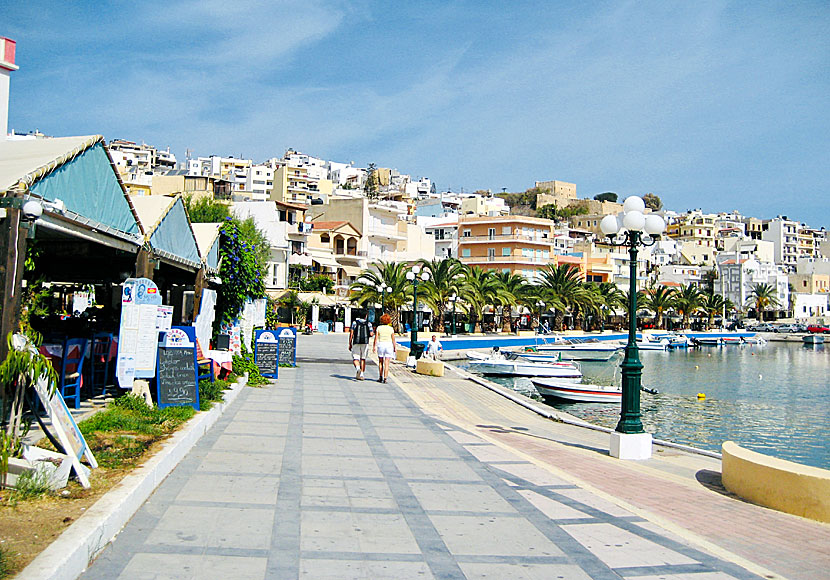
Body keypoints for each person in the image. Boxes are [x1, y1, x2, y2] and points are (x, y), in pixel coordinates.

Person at [373, 313, 396, 383]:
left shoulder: (379, 328)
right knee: (387, 363)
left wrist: (374, 346)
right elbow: (393, 339)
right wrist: (395, 348)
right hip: (388, 345)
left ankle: (380, 377)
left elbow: (376, 338)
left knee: (380, 362)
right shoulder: (391, 329)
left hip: (381, 345)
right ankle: (385, 378)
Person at [349, 316, 373, 380]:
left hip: (356, 342)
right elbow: (371, 334)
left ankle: (358, 368)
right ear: (366, 316)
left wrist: (350, 343)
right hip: (365, 342)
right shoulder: (369, 323)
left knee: (355, 357)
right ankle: (362, 374)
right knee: (363, 358)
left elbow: (351, 333)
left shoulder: (354, 323)